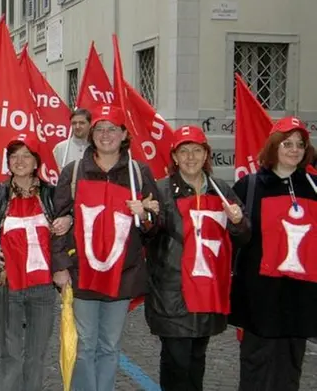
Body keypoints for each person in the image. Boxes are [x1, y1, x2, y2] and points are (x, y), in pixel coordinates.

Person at [52, 105, 159, 391]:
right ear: (90, 133)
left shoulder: (139, 172)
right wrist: (61, 266)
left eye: (113, 128)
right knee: (86, 344)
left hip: (123, 273)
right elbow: (59, 222)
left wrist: (146, 214)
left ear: (124, 134)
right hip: (82, 272)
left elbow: (155, 226)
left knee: (110, 345)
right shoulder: (73, 172)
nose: (105, 134)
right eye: (99, 128)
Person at [145, 125, 249, 391]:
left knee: (197, 359)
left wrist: (238, 222)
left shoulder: (221, 190)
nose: (190, 157)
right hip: (172, 294)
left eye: (197, 150)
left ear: (206, 155)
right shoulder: (161, 190)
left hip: (207, 291)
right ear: (175, 157)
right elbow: (146, 236)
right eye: (184, 151)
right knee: (176, 363)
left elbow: (243, 238)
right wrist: (146, 217)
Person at [230, 116, 317, 391]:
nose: (294, 150)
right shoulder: (251, 186)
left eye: (299, 145)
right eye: (287, 144)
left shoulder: (313, 187)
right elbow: (237, 239)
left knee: (290, 369)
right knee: (256, 366)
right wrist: (235, 225)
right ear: (274, 147)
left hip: (300, 297)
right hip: (259, 297)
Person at [0, 135, 63, 390]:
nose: (20, 161)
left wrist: (67, 220)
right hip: (8, 283)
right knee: (11, 353)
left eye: (26, 155)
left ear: (36, 161)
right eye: (14, 156)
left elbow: (64, 233)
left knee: (36, 355)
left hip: (43, 285)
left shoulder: (51, 193)